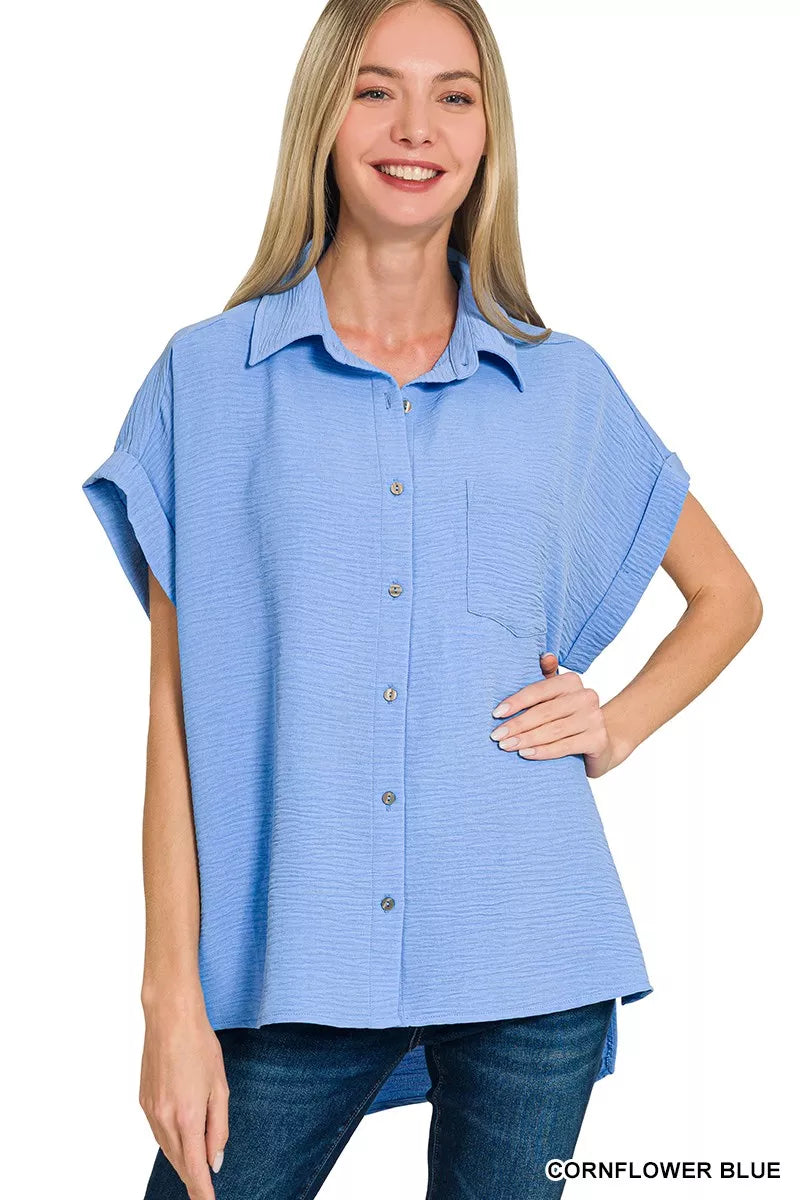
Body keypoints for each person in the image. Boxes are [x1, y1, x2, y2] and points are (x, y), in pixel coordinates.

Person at [80, 1, 762, 1197]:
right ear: (323, 116)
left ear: (487, 133)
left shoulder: (559, 385)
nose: (415, 127)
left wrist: (613, 725)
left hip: (530, 950)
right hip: (292, 958)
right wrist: (169, 999)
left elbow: (726, 595)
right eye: (375, 89)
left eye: (453, 95)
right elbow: (176, 723)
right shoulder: (208, 381)